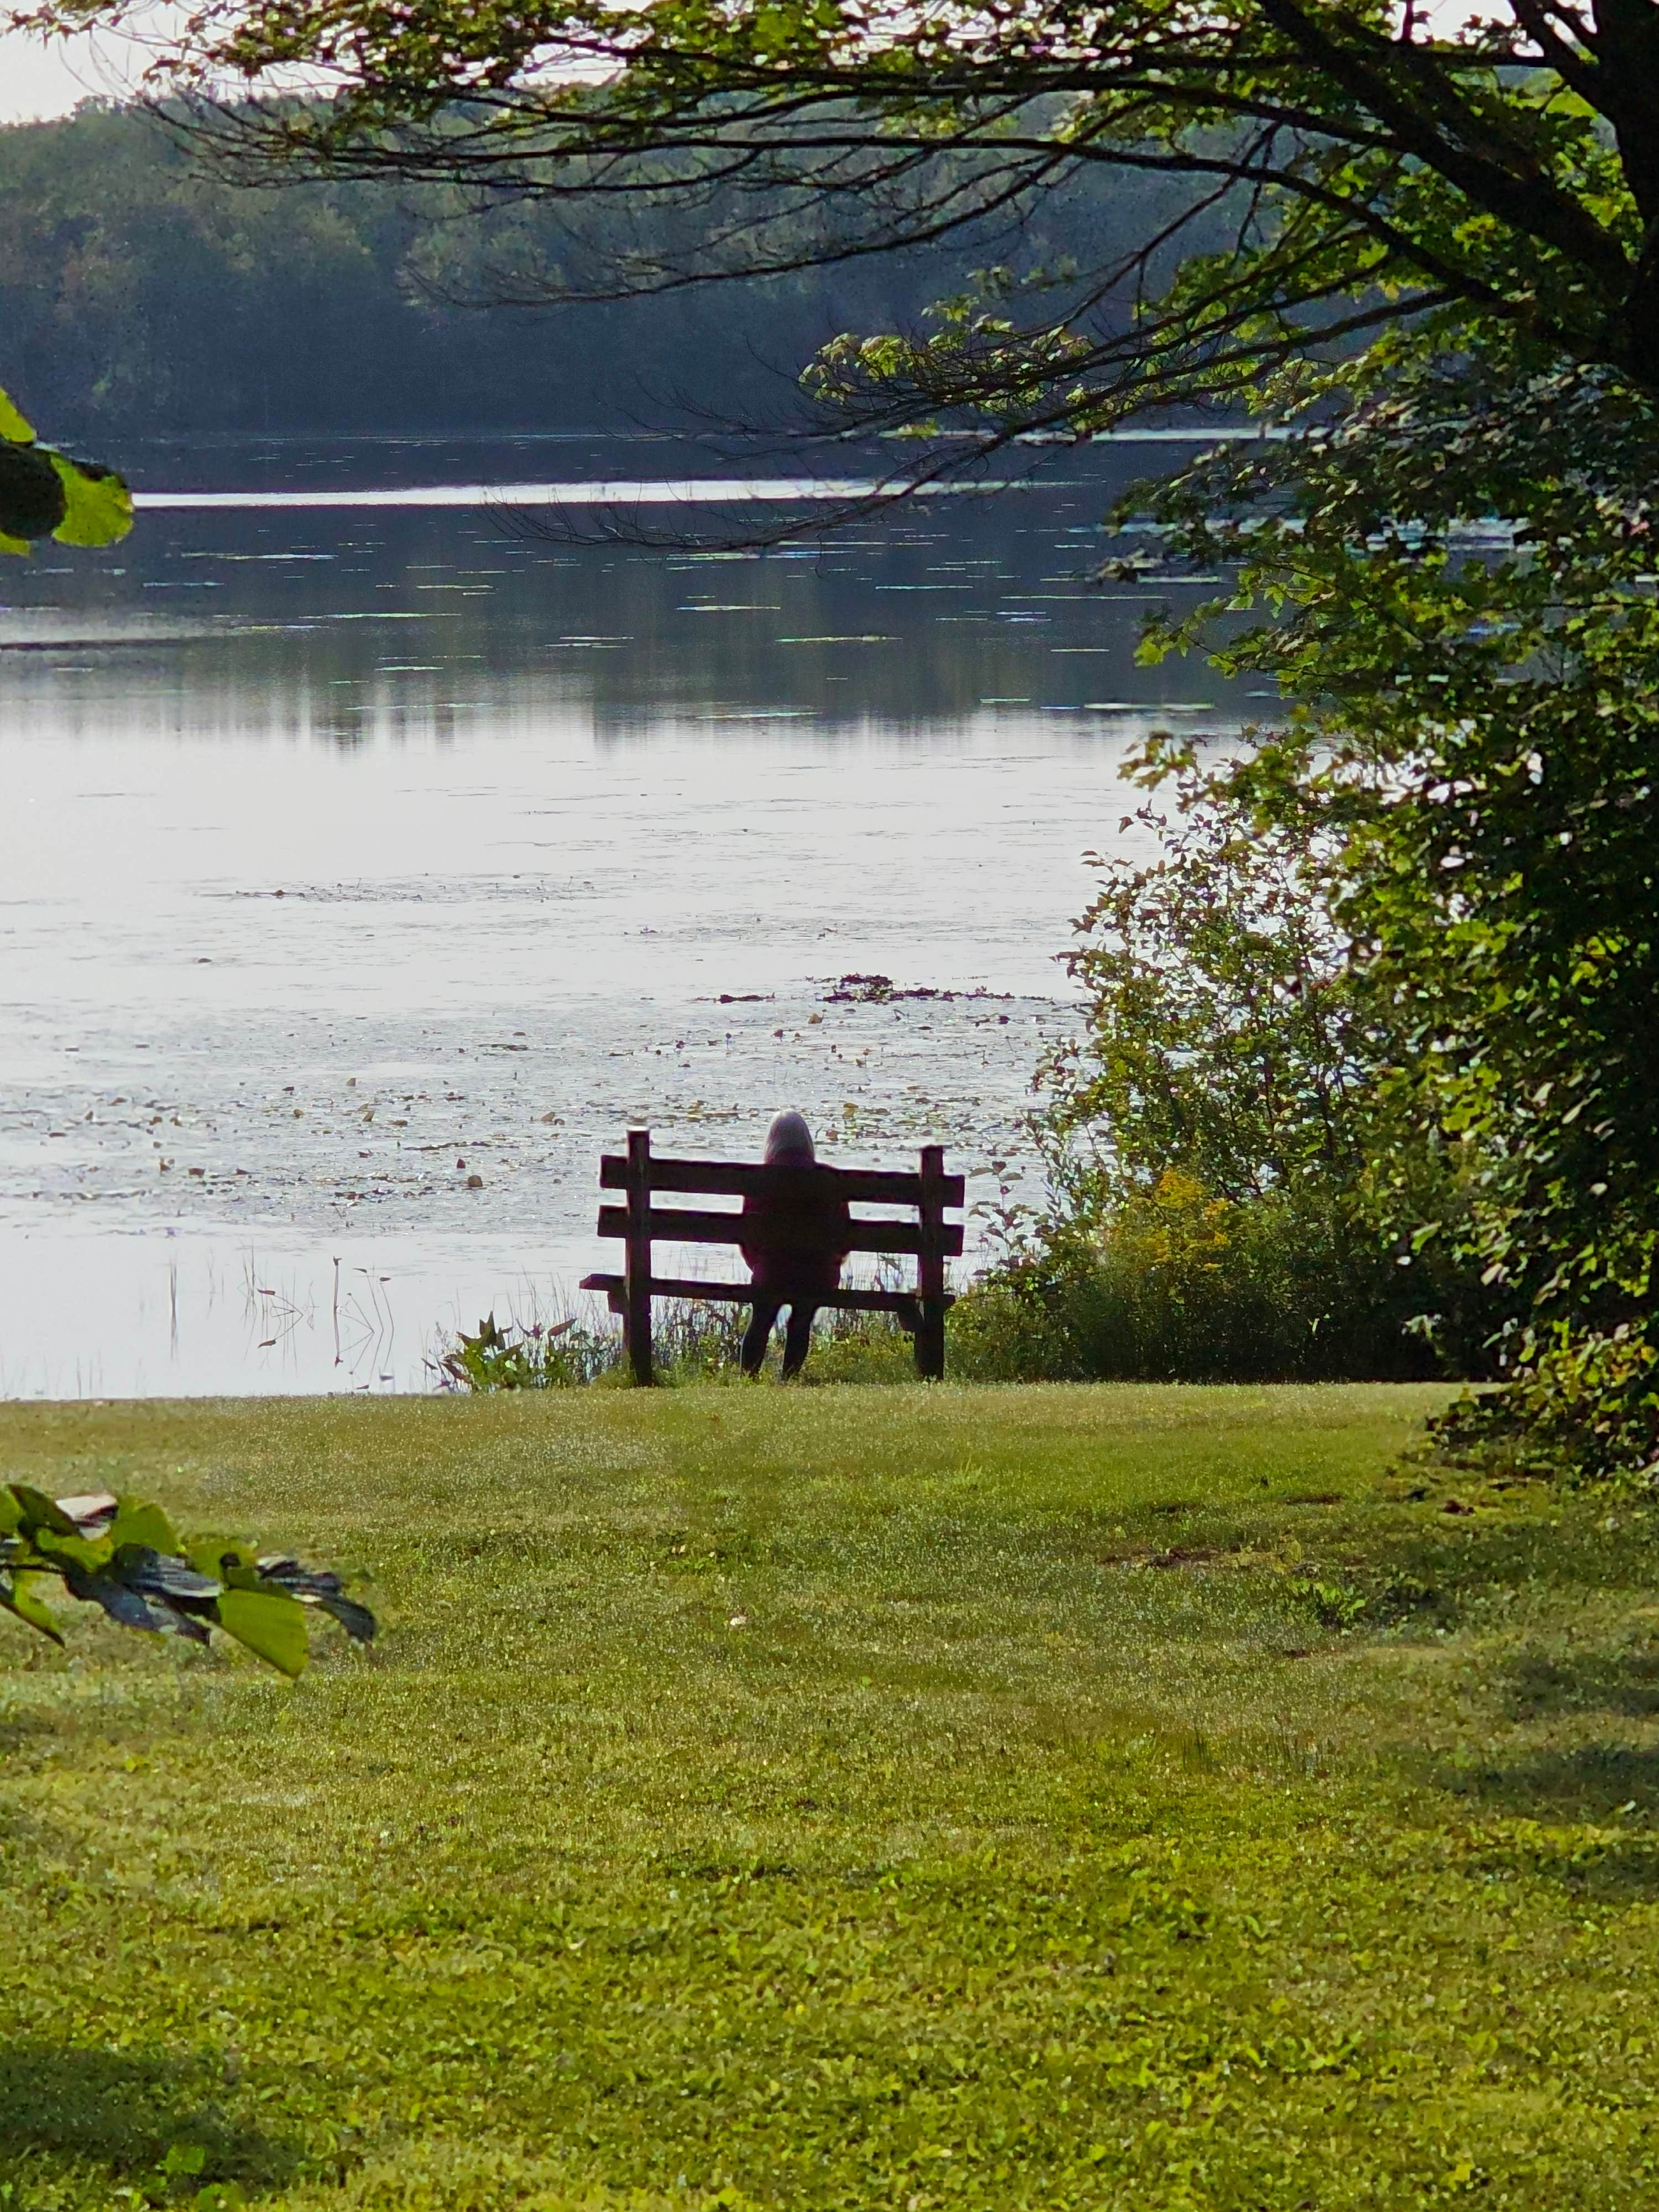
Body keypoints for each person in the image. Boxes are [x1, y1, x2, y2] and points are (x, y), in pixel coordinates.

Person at [739, 1110, 852, 1379]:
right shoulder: (830, 1179)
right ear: (807, 1141)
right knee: (801, 1319)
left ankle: (748, 1379)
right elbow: (845, 1235)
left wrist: (759, 1266)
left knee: (761, 1318)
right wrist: (832, 1264)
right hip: (817, 1274)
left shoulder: (759, 1180)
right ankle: (788, 1380)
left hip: (772, 1271)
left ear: (772, 1141)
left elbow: (746, 1235)